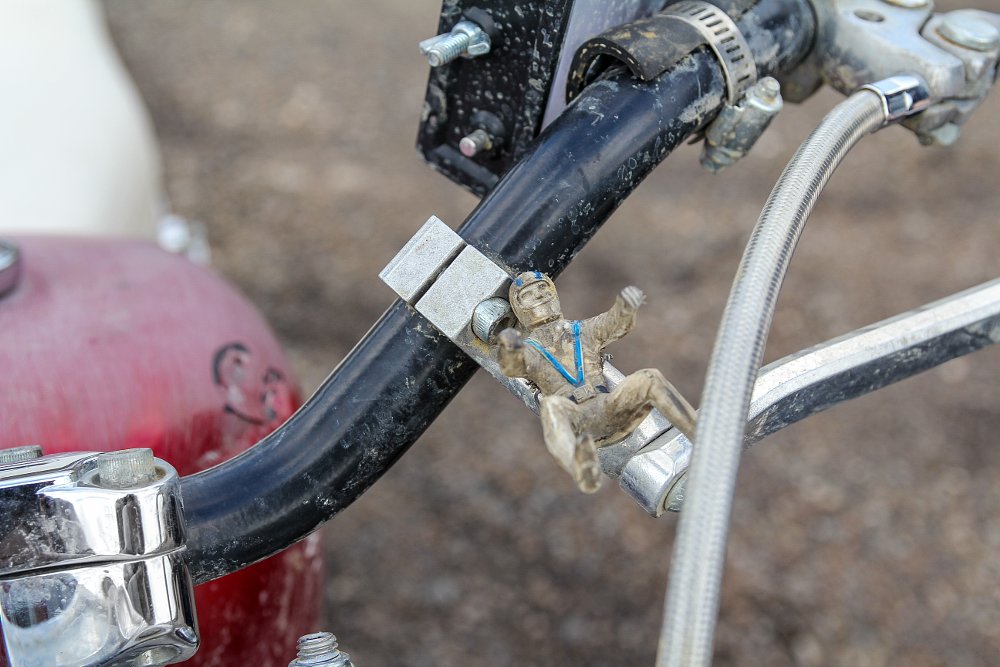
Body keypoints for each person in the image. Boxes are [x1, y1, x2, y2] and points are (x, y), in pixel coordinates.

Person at [496, 271, 696, 493]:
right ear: (519, 306)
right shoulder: (531, 351)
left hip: (608, 406)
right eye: (529, 294)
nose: (540, 296)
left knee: (649, 378)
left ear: (554, 294)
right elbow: (513, 367)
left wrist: (625, 308)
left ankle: (699, 433)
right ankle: (581, 467)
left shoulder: (581, 331)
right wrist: (510, 349)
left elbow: (611, 324)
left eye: (543, 289)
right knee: (552, 407)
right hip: (576, 420)